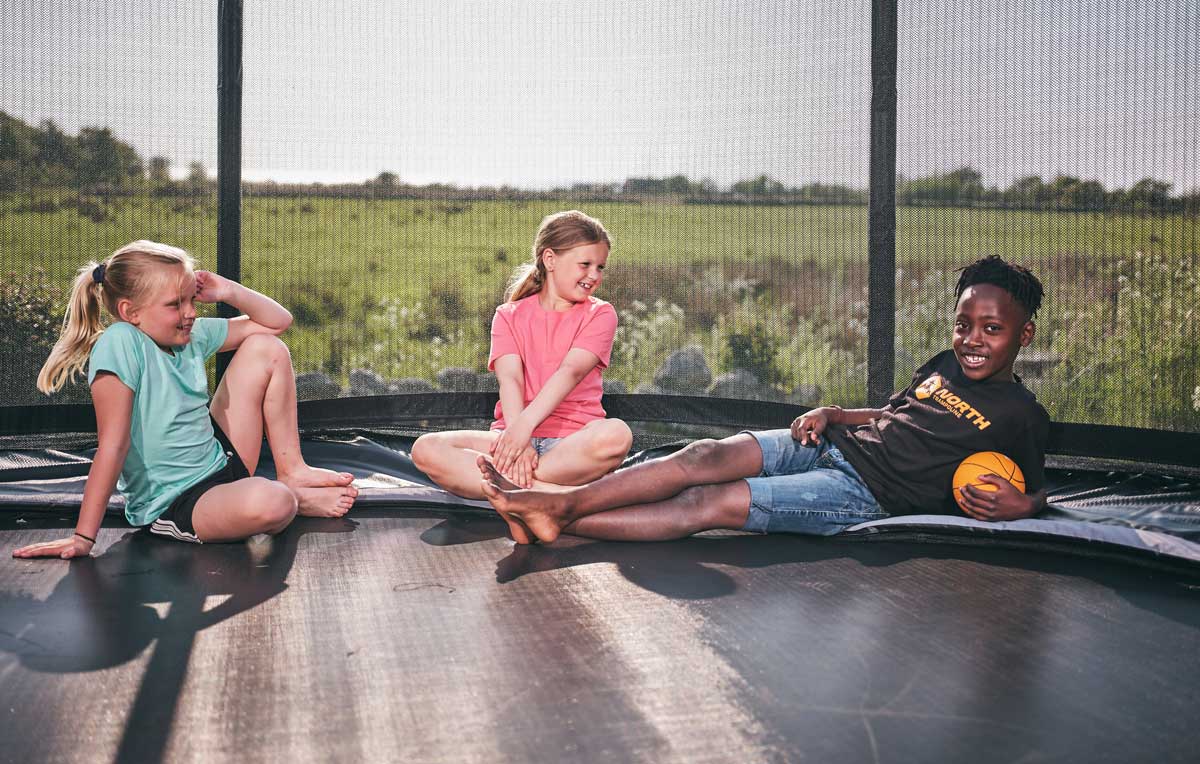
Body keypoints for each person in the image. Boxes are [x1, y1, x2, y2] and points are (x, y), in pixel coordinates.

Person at [478, 255, 1049, 544]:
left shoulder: (1021, 415)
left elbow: (1038, 493)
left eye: (991, 330)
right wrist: (834, 414)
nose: (973, 340)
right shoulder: (945, 365)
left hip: (864, 492)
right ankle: (555, 504)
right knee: (699, 456)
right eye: (963, 324)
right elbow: (892, 412)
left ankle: (559, 512)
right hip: (831, 444)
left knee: (711, 501)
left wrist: (1026, 507)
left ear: (1022, 335)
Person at [13, 241, 358, 559]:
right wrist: (83, 538)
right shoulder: (121, 344)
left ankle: (292, 472)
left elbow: (277, 324)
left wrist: (228, 290)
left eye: (191, 299)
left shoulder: (188, 334)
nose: (190, 312)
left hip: (223, 459)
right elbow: (112, 446)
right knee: (275, 502)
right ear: (130, 312)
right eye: (175, 304)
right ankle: (293, 497)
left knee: (268, 349)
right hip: (182, 501)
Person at [412, 210, 633, 507]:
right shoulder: (508, 315)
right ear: (550, 259)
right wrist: (519, 439)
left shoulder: (600, 314)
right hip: (510, 438)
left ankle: (510, 488)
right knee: (426, 449)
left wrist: (524, 433)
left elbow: (570, 372)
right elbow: (511, 380)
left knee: (617, 435)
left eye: (600, 267)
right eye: (585, 264)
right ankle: (556, 496)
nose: (594, 275)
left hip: (571, 444)